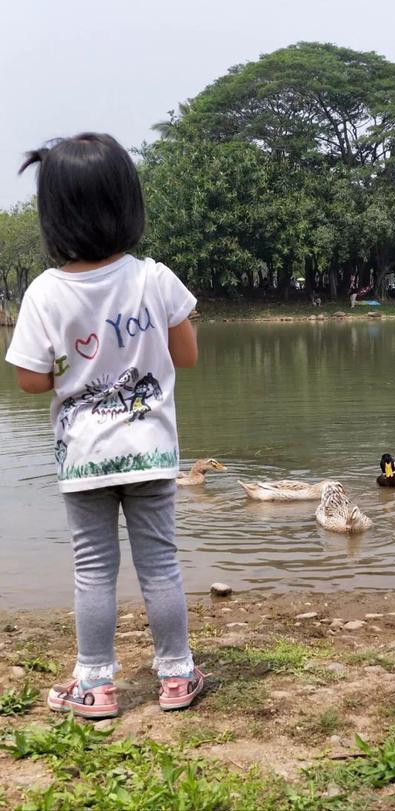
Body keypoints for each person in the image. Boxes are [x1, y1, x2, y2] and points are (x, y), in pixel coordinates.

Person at [5, 133, 204, 718]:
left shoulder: (44, 292)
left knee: (92, 569)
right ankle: (176, 676)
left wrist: (71, 370)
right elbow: (186, 357)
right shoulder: (155, 279)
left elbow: (30, 381)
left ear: (53, 215)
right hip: (149, 452)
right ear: (128, 203)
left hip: (84, 456)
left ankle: (95, 685)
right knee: (160, 563)